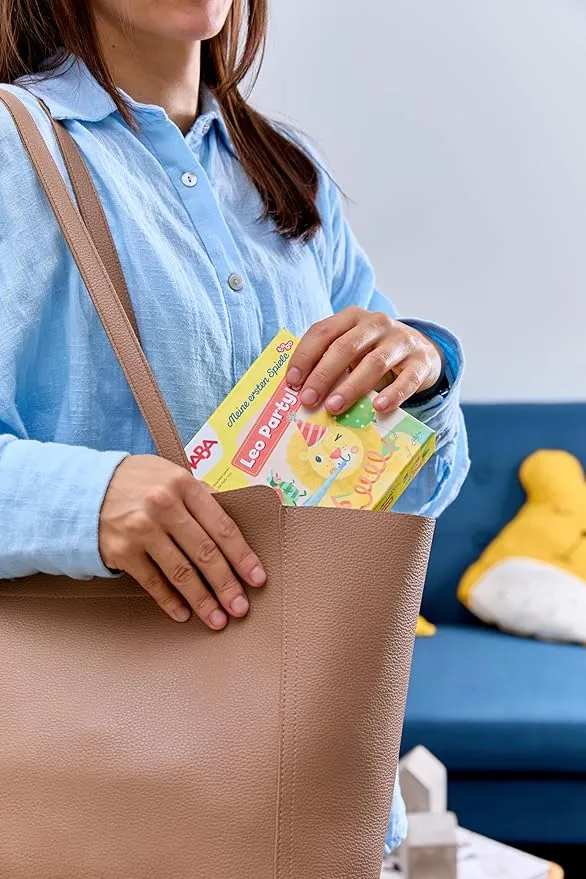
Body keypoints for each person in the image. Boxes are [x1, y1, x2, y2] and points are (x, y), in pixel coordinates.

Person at [0, 0, 469, 854]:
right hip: (96, 812)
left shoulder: (288, 172)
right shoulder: (10, 150)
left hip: (312, 795)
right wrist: (86, 500)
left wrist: (424, 373)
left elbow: (410, 506)